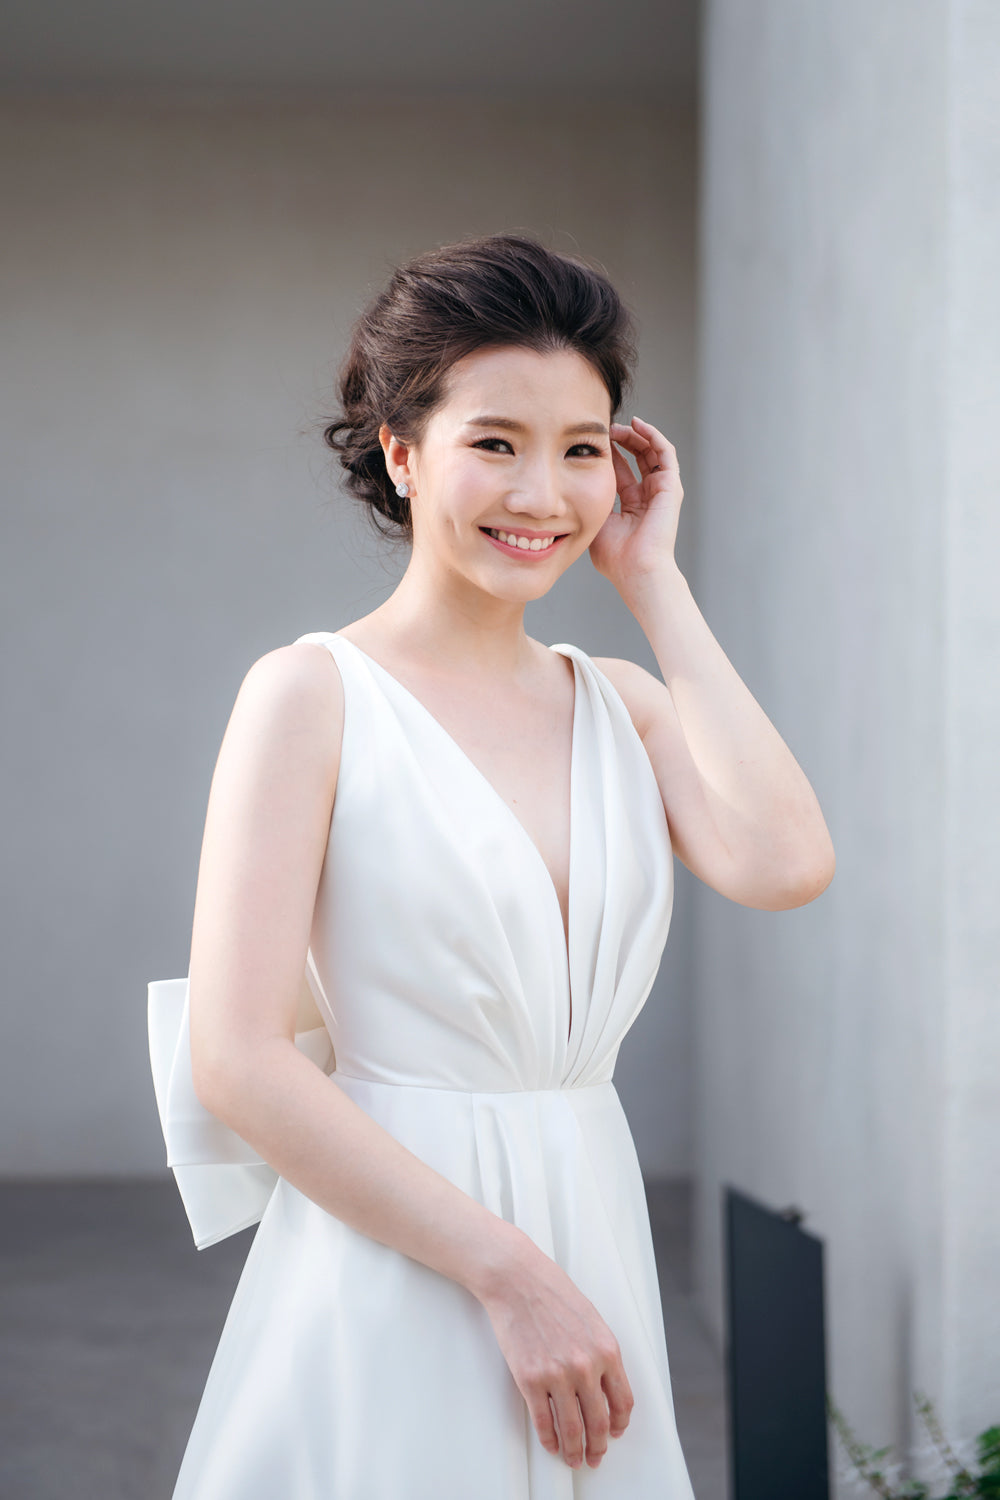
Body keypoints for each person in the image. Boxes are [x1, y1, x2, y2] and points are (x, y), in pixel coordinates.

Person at [148, 233, 835, 1498]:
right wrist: (507, 1275)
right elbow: (235, 1060)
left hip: (589, 1215)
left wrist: (655, 584)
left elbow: (787, 862)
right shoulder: (311, 696)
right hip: (400, 1252)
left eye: (582, 447)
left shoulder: (622, 703)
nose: (542, 492)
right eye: (496, 442)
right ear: (403, 454)